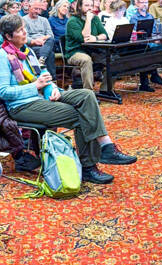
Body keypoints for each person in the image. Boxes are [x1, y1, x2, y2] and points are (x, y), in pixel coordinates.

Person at [0, 14, 137, 183]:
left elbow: (43, 75)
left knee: (87, 95)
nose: (25, 33)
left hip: (42, 95)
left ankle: (106, 146)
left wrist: (53, 88)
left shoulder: (26, 51)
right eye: (20, 31)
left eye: (24, 28)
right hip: (22, 106)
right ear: (8, 36)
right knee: (81, 116)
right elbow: (3, 92)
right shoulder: (3, 56)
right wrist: (35, 87)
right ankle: (88, 166)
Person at [65, 0, 111, 94]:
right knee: (86, 60)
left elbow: (105, 35)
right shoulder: (72, 21)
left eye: (91, 5)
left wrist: (96, 38)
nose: (90, 8)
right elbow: (84, 38)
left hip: (93, 50)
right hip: (75, 52)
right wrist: (88, 20)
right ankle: (88, 93)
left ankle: (105, 89)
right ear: (80, 7)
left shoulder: (95, 19)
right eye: (86, 5)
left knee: (112, 59)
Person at [22, 0, 56, 76]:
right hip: (32, 46)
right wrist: (35, 41)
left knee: (51, 39)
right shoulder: (23, 20)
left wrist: (42, 39)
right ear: (29, 7)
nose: (38, 11)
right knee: (50, 54)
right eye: (35, 9)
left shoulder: (44, 20)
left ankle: (42, 59)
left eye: (39, 9)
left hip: (45, 43)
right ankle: (52, 79)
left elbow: (50, 35)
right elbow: (24, 37)